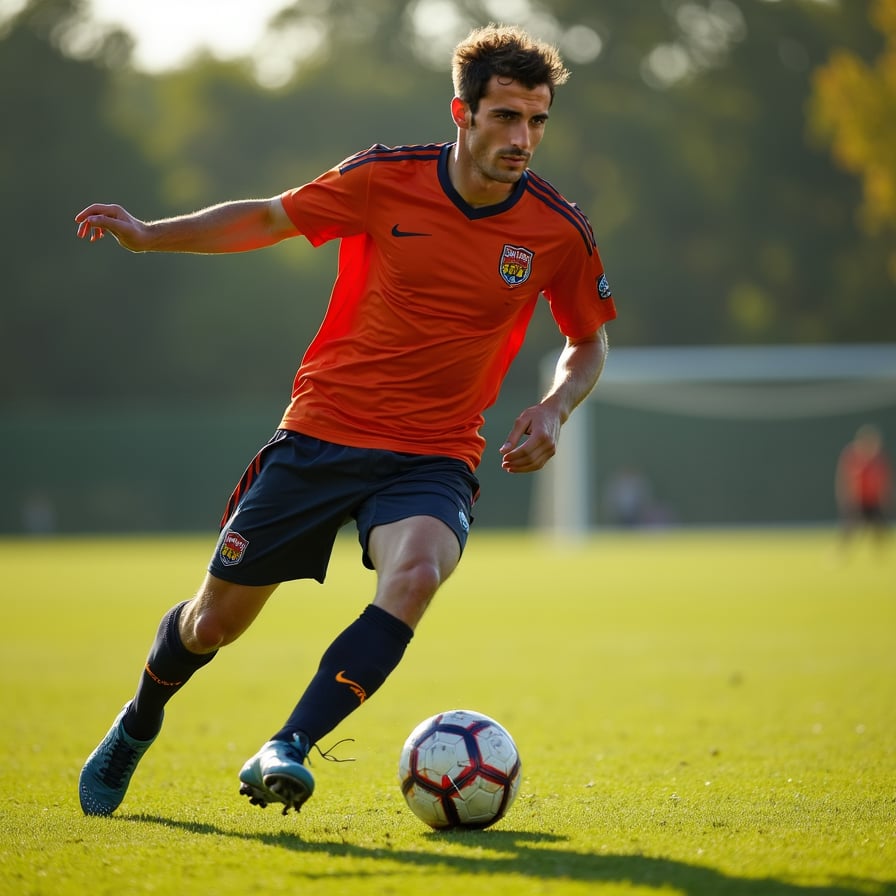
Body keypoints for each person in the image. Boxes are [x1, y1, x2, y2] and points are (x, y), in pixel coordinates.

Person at [74, 24, 617, 818]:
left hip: (432, 453)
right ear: (461, 113)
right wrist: (152, 236)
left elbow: (587, 341)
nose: (523, 138)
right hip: (323, 431)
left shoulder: (556, 230)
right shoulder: (384, 178)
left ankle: (286, 746)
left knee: (420, 573)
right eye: (505, 116)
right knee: (211, 623)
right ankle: (138, 720)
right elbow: (266, 217)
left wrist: (555, 406)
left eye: (537, 121)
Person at [835, 424, 892, 546]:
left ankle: (881, 551)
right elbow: (845, 479)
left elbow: (883, 482)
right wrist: (847, 497)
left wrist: (885, 499)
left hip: (872, 501)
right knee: (850, 528)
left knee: (880, 527)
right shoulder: (853, 456)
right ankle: (842, 552)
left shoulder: (878, 460)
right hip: (857, 500)